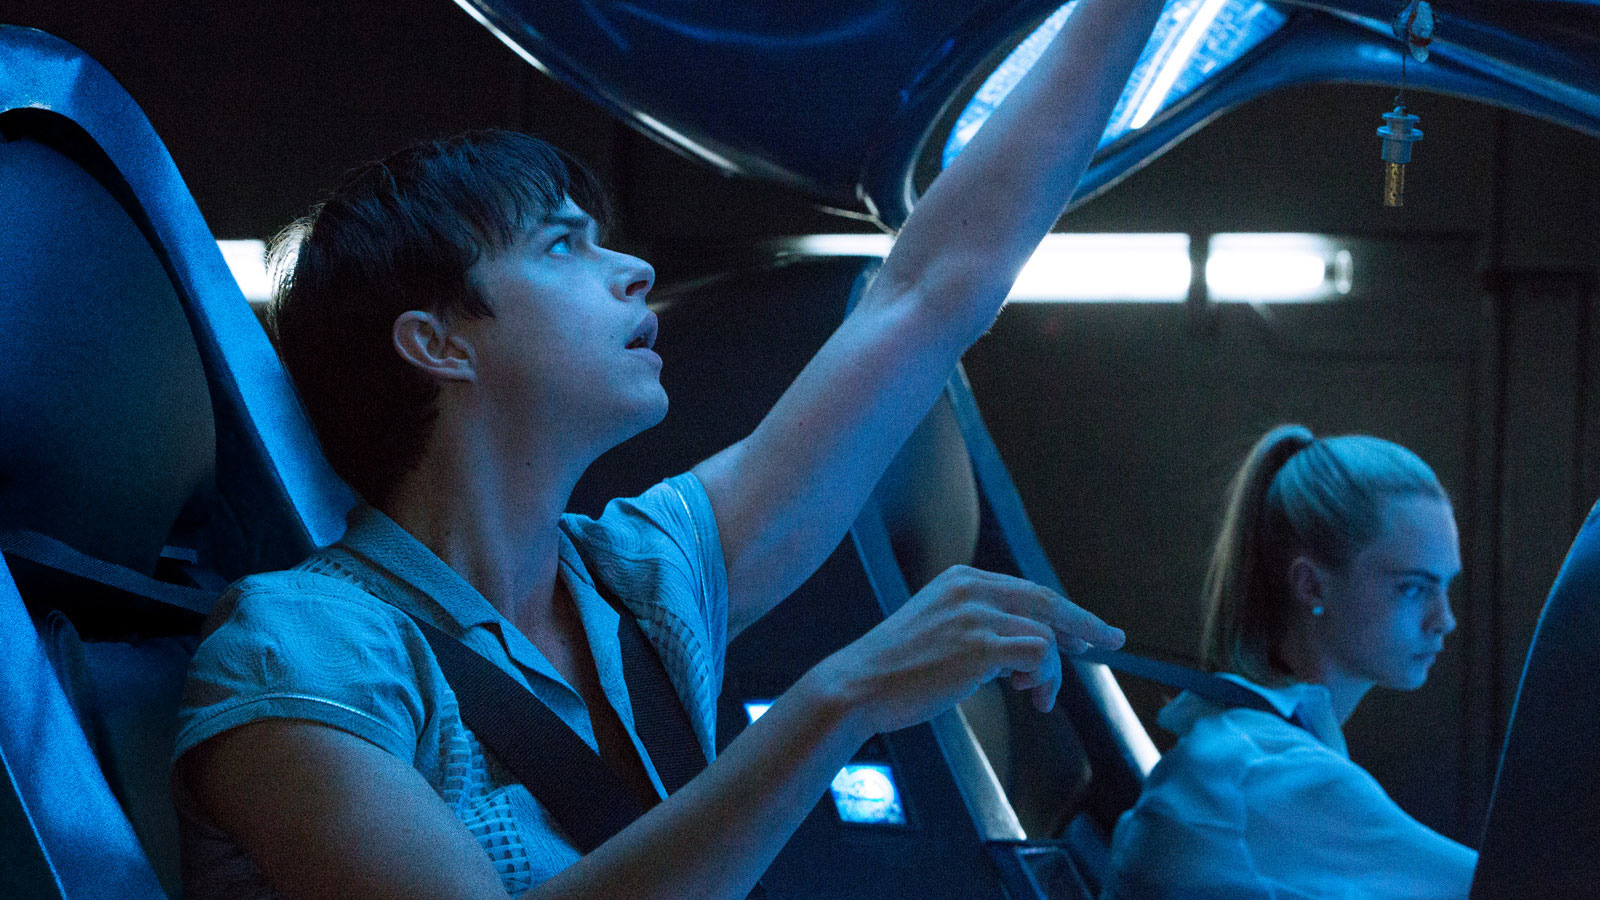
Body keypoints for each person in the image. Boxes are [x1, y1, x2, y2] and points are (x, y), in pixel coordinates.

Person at [170, 2, 1169, 898]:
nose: (635, 270)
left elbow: (930, 288)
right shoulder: (294, 647)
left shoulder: (634, 577)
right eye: (562, 245)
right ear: (439, 343)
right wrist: (842, 699)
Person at [1101, 425, 1479, 900]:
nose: (1444, 620)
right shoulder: (1271, 772)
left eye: (1446, 585)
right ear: (1312, 586)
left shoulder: (1250, 744)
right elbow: (1514, 887)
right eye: (1413, 588)